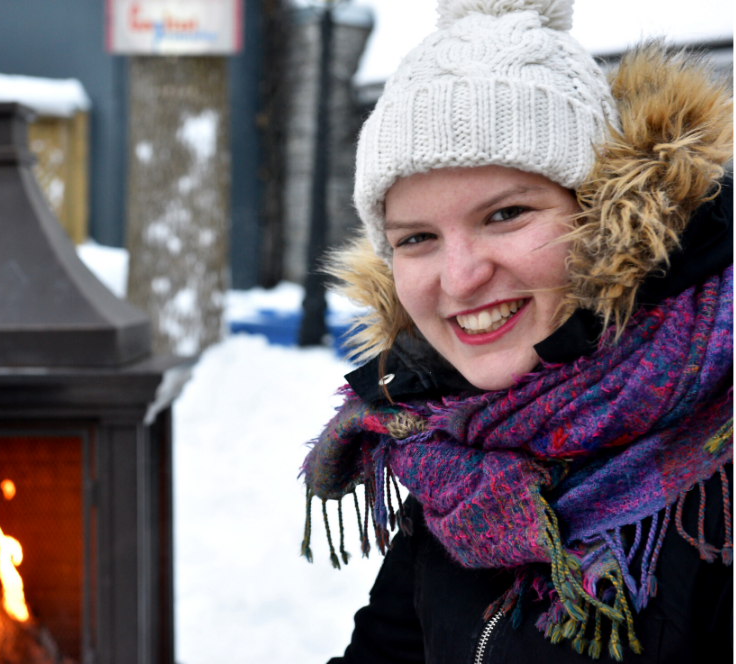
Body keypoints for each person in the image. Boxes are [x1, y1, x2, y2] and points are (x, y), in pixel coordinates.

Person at [299, 1, 733, 662]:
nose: (460, 276)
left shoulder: (719, 453)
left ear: (603, 220)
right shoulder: (458, 449)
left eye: (505, 214)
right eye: (416, 238)